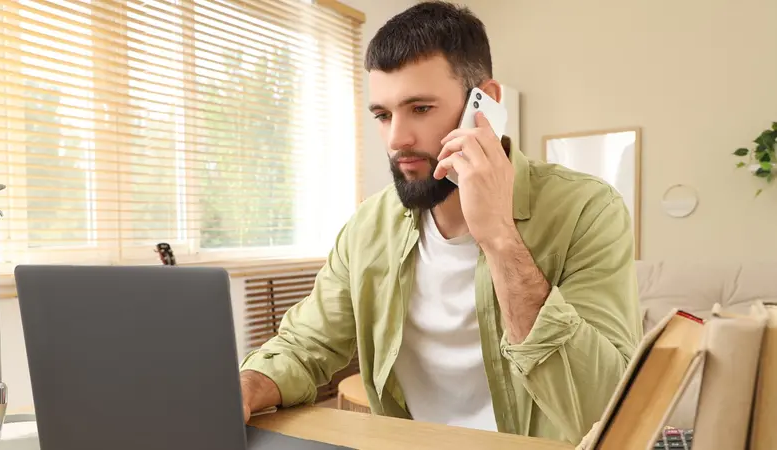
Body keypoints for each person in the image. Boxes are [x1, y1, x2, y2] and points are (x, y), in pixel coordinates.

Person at [238, 1, 643, 445]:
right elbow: (305, 346)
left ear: (484, 102)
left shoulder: (588, 209)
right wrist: (244, 388)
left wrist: (499, 237)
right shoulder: (370, 225)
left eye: (421, 108)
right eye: (382, 114)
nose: (396, 138)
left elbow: (605, 409)